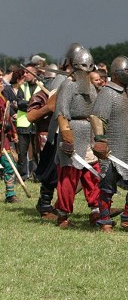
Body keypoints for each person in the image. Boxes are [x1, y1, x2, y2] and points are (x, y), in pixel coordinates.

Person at [89, 56, 128, 232]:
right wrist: (100, 141)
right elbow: (97, 117)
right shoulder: (107, 93)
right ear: (117, 74)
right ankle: (104, 221)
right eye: (127, 71)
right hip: (111, 148)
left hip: (127, 148)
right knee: (107, 186)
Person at [52, 47, 102, 229]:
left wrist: (100, 137)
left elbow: (95, 114)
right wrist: (67, 137)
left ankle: (96, 212)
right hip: (72, 133)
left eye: (89, 69)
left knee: (93, 174)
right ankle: (63, 216)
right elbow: (61, 113)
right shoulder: (68, 85)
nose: (86, 73)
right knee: (68, 178)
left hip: (88, 134)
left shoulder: (91, 87)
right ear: (75, 67)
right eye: (83, 69)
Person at [31, 43, 79, 220]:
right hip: (59, 129)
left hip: (76, 130)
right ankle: (44, 205)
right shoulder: (61, 81)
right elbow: (53, 107)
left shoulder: (78, 81)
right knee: (52, 168)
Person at [27, 63, 68, 219]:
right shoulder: (41, 95)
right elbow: (31, 116)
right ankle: (44, 205)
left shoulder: (63, 94)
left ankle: (59, 204)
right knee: (49, 170)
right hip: (47, 136)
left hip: (63, 134)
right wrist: (48, 107)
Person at [0, 74, 18, 203]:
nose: (2, 84)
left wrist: (12, 133)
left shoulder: (3, 98)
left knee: (9, 164)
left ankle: (10, 194)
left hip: (2, 139)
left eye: (2, 82)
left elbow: (7, 119)